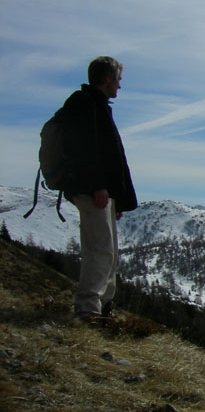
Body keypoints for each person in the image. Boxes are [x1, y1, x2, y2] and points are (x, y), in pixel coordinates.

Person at [64, 56, 137, 321]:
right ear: (107, 78)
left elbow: (106, 155)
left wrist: (116, 198)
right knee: (100, 249)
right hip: (93, 190)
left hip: (103, 193)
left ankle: (103, 306)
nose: (119, 86)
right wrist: (97, 186)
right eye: (118, 79)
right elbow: (86, 149)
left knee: (109, 250)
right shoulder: (85, 104)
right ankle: (87, 308)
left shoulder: (97, 105)